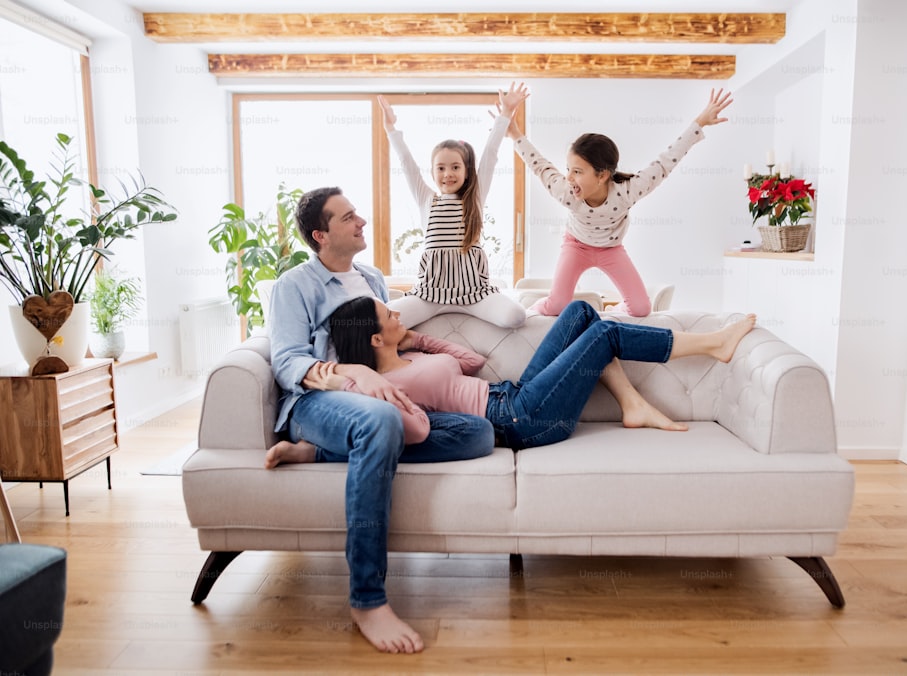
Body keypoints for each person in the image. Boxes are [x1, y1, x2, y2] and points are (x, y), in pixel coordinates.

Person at [266, 186, 496, 654]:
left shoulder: (371, 277)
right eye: (349, 217)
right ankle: (367, 600)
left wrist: (427, 347)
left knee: (478, 432)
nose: (362, 222)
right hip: (319, 402)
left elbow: (388, 340)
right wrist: (350, 373)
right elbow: (286, 361)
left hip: (376, 397)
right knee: (379, 422)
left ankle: (322, 453)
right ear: (320, 234)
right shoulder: (295, 285)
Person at [271, 297, 755, 456]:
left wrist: (418, 341)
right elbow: (370, 426)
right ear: (375, 339)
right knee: (604, 333)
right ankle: (714, 343)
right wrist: (308, 451)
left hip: (513, 393)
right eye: (390, 317)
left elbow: (470, 362)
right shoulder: (383, 387)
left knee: (581, 311)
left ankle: (631, 404)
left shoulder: (407, 357)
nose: (399, 316)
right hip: (522, 420)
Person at [506, 88, 734, 317]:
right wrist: (515, 134)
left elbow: (664, 164)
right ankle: (528, 314)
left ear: (602, 175)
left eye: (577, 171)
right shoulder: (567, 192)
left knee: (641, 308)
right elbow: (540, 166)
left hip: (611, 249)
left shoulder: (627, 191)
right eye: (568, 169)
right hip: (576, 246)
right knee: (556, 305)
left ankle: (607, 316)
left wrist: (699, 123)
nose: (569, 178)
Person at [378, 82, 529, 329]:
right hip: (431, 293)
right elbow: (406, 163)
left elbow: (490, 153)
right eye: (441, 168)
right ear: (433, 171)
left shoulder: (475, 196)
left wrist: (505, 114)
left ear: (467, 171)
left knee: (516, 316)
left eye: (455, 167)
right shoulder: (427, 198)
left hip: (474, 293)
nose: (448, 173)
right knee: (381, 321)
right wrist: (390, 127)